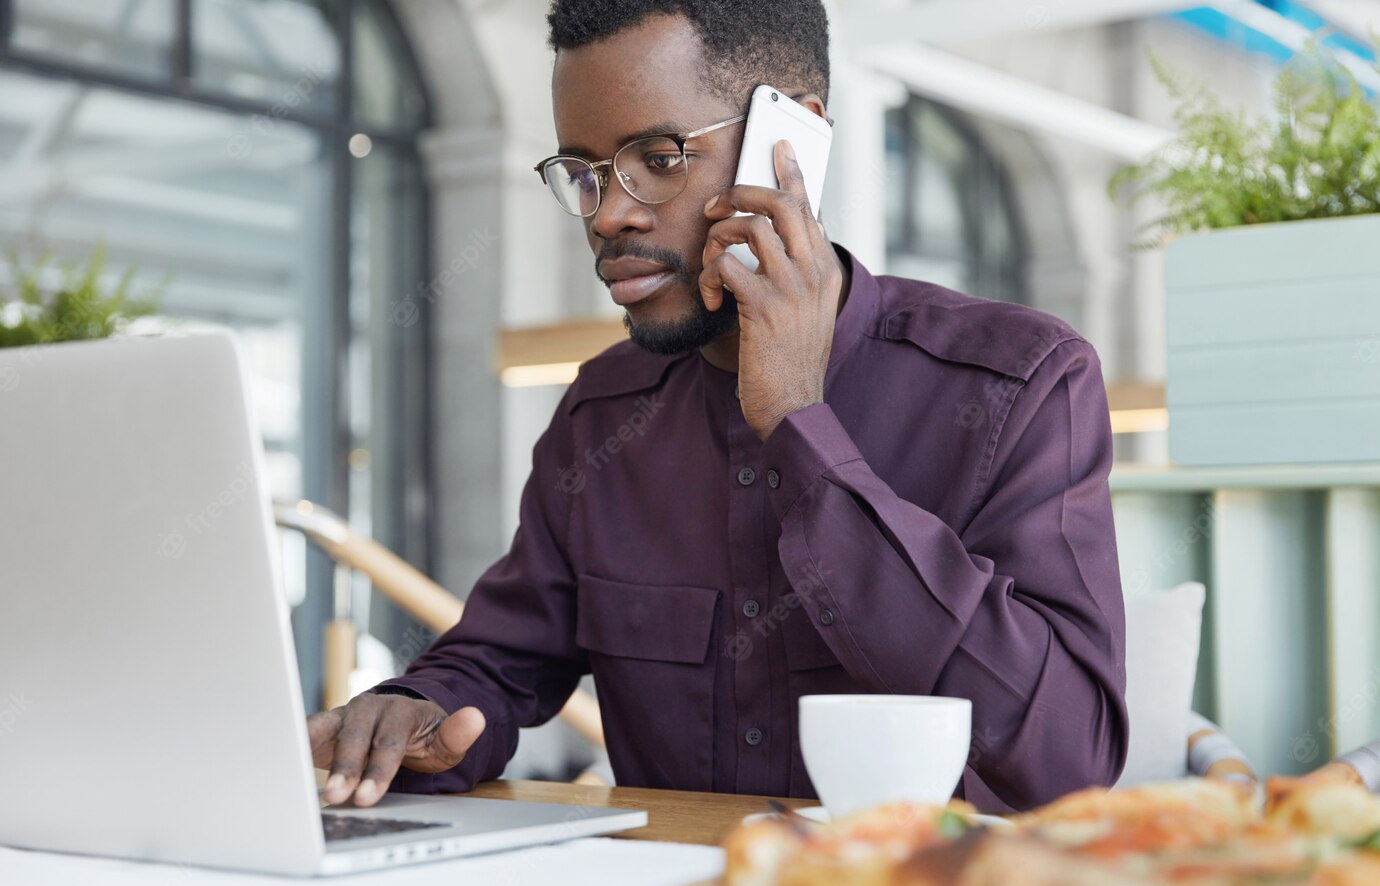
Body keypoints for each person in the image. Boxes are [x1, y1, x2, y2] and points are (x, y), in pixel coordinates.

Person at [307, 0, 1130, 815]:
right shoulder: (601, 416)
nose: (608, 214)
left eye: (657, 159)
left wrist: (801, 427)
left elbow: (1066, 760)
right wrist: (413, 712)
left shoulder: (1019, 384)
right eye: (585, 174)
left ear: (792, 145)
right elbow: (500, 662)